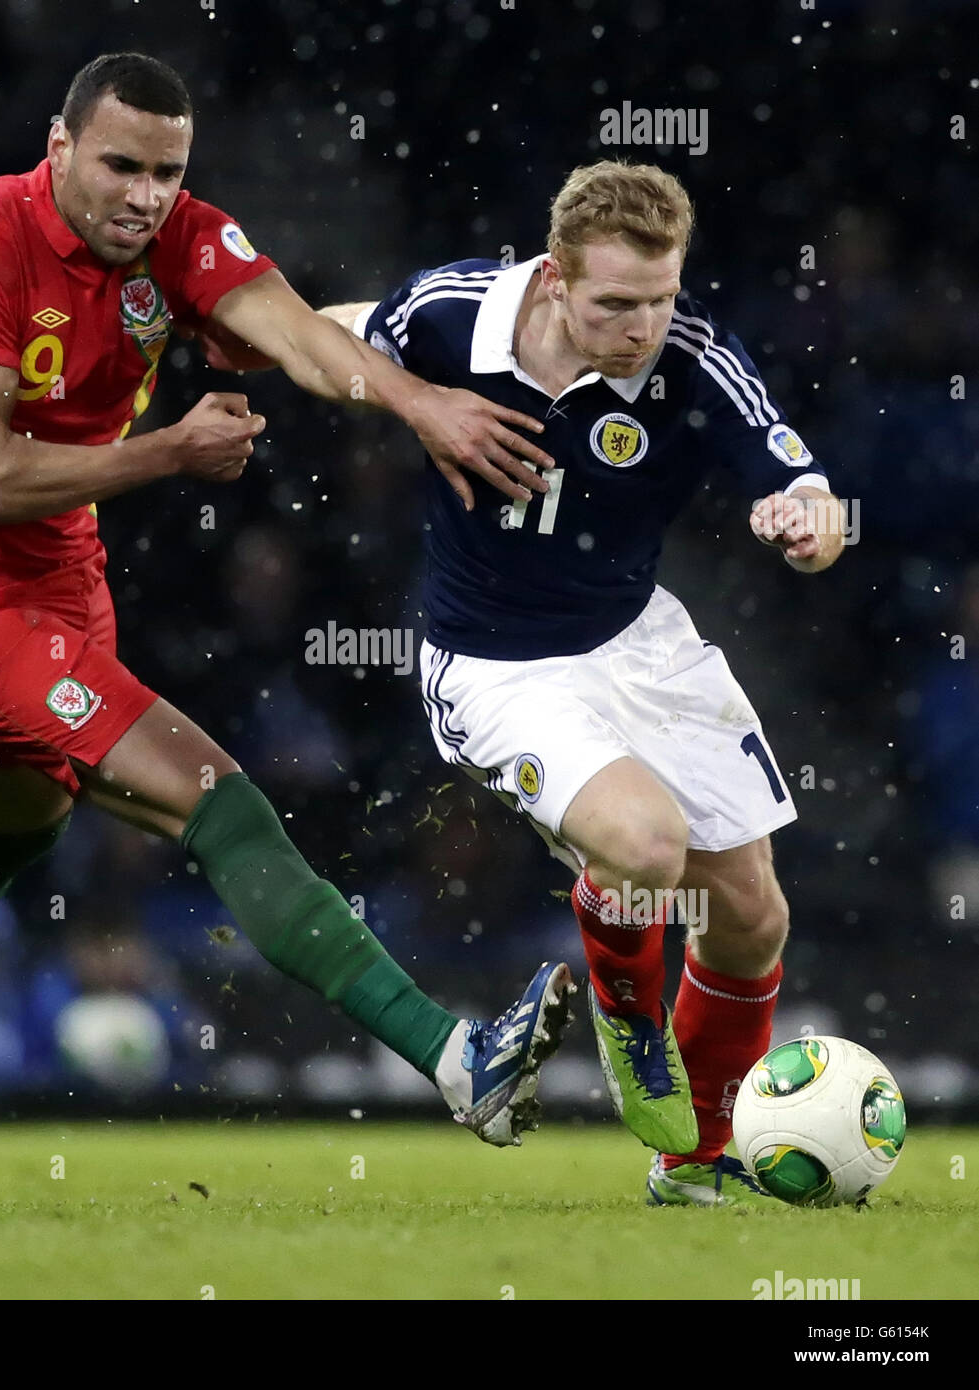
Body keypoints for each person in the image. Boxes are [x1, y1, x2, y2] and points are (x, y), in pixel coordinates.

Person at [0, 52, 574, 1146]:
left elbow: (303, 337)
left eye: (166, 170)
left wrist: (422, 406)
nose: (145, 195)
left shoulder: (180, 235)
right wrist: (170, 451)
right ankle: (458, 1061)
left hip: (64, 574)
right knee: (217, 799)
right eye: (120, 165)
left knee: (19, 814)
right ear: (60, 150)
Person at [318, 160, 847, 1203]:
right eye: (615, 302)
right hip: (497, 666)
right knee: (644, 845)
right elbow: (340, 329)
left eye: (659, 297)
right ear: (553, 277)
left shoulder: (689, 355)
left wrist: (809, 522)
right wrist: (250, 335)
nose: (643, 325)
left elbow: (799, 479)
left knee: (751, 912)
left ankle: (691, 1157)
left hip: (637, 642)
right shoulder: (453, 314)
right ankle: (625, 1019)